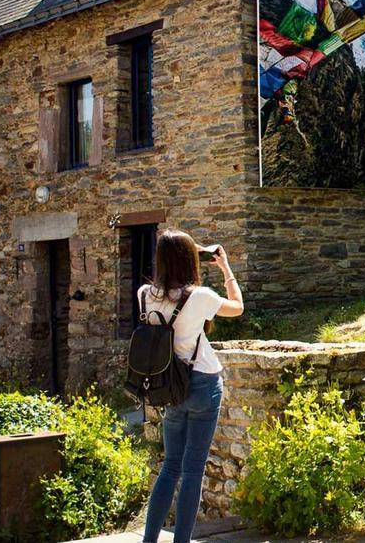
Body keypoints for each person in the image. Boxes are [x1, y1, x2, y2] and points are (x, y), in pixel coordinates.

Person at [141, 229, 244, 543]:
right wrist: (224, 266)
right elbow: (238, 307)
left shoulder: (145, 294)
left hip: (170, 386)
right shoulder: (200, 297)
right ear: (190, 259)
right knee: (193, 470)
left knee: (170, 466)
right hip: (203, 384)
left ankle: (148, 541)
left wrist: (184, 247)